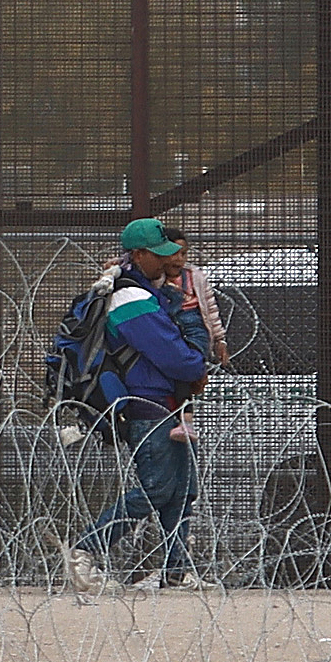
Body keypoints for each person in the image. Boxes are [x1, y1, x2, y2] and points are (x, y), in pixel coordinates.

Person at [68, 218, 213, 591]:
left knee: (181, 491)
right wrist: (197, 360)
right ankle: (86, 549)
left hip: (165, 404)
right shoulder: (130, 298)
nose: (166, 262)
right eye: (158, 255)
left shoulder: (146, 291)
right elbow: (178, 358)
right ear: (139, 254)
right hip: (148, 404)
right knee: (158, 489)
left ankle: (175, 570)